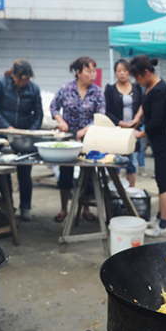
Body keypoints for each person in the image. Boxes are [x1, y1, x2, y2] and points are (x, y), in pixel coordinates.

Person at [50, 56, 105, 223]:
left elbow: (100, 115)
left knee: (87, 173)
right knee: (65, 173)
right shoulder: (66, 88)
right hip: (68, 137)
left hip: (89, 137)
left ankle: (85, 208)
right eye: (89, 71)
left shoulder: (97, 92)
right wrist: (60, 120)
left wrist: (86, 129)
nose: (93, 74)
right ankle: (64, 208)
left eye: (94, 71)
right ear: (79, 72)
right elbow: (53, 106)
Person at [129, 55, 166, 237]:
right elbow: (144, 106)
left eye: (138, 77)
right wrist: (136, 120)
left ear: (147, 73)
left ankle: (164, 226)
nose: (137, 81)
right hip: (159, 143)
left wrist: (141, 133)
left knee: (165, 184)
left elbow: (156, 120)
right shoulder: (150, 87)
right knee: (160, 181)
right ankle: (159, 218)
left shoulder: (160, 90)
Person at [0, 59, 43, 221]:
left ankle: (25, 207)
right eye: (21, 79)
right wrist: (7, 127)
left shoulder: (34, 89)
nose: (23, 82)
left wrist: (30, 132)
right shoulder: (1, 83)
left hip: (25, 138)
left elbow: (38, 114)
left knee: (24, 173)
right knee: (3, 173)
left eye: (27, 79)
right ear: (13, 75)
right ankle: (8, 206)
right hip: (4, 135)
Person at [104, 59, 143, 187]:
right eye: (118, 70)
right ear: (115, 73)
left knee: (132, 163)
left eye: (124, 70)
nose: (122, 73)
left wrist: (136, 122)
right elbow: (107, 111)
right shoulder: (110, 89)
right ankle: (114, 192)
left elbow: (144, 108)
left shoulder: (137, 88)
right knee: (115, 162)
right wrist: (120, 123)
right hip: (116, 132)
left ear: (129, 72)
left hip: (133, 131)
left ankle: (131, 192)